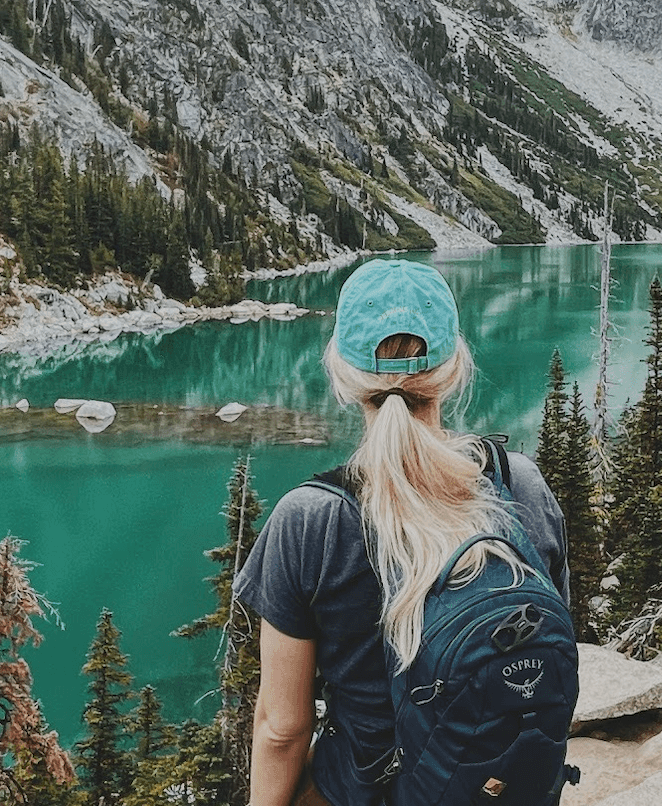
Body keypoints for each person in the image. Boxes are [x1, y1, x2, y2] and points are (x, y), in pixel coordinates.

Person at [234, 259, 570, 806]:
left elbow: (283, 728)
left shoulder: (310, 520)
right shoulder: (522, 485)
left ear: (343, 376)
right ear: (454, 369)